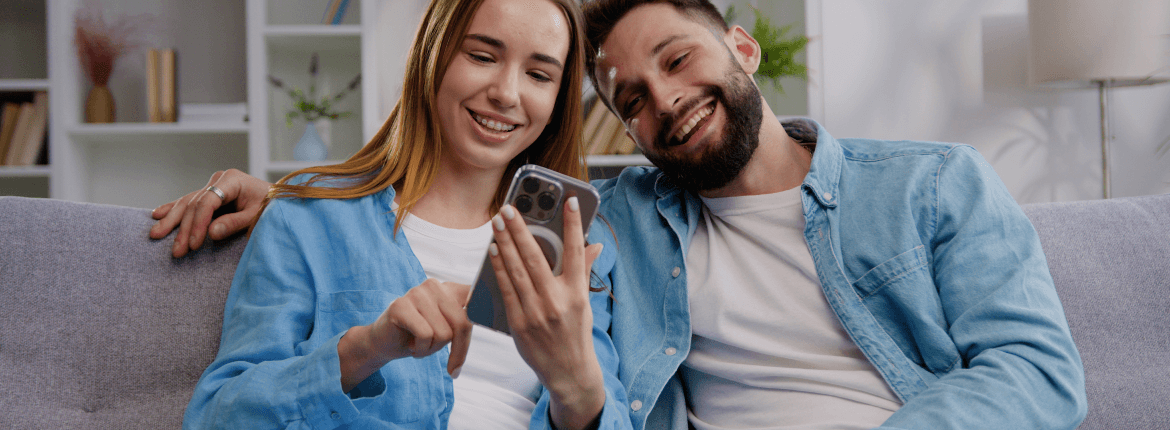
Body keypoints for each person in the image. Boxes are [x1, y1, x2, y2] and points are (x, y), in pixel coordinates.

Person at [157, 0, 1088, 429]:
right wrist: (290, 208)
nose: (663, 104)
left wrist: (574, 384)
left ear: (741, 47)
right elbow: (223, 411)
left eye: (679, 62)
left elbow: (1040, 375)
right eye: (630, 96)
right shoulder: (618, 220)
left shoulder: (930, 185)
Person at [177, 0, 632, 428]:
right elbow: (218, 414)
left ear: (557, 102)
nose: (507, 93)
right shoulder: (308, 218)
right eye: (482, 56)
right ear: (432, 56)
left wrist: (577, 387)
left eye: (538, 74)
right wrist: (365, 349)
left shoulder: (577, 241)